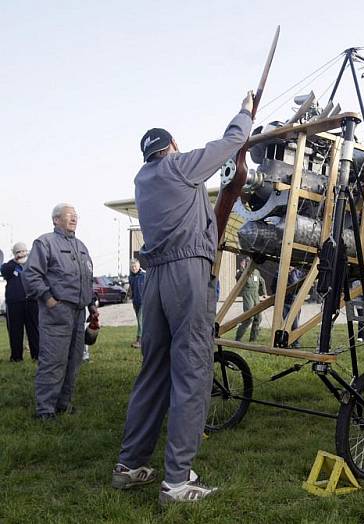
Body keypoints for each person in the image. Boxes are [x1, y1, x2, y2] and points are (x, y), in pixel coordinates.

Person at [112, 92, 253, 505]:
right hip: (186, 272)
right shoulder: (178, 166)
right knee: (192, 368)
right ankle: (177, 481)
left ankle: (130, 464)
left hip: (154, 278)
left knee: (154, 370)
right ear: (171, 147)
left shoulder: (143, 180)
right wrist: (244, 113)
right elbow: (229, 144)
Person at [23, 204, 97, 419]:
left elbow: (88, 279)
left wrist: (91, 304)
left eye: (75, 215)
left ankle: (63, 404)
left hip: (79, 311)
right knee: (53, 360)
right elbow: (31, 274)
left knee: (74, 360)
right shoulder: (45, 242)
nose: (73, 217)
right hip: (57, 311)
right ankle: (45, 410)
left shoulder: (81, 246)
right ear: (55, 219)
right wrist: (48, 298)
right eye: (68, 215)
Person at [2, 242, 39, 361]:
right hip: (15, 303)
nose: (21, 254)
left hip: (31, 301)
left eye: (23, 251)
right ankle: (16, 357)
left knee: (33, 330)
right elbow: (4, 271)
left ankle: (37, 355)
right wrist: (15, 262)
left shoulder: (32, 264)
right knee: (15, 331)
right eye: (18, 252)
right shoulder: (9, 266)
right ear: (14, 254)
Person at [235, 259, 267, 342]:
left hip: (255, 295)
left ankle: (253, 339)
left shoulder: (256, 272)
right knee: (249, 318)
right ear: (246, 263)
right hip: (247, 294)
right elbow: (238, 278)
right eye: (248, 262)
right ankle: (238, 338)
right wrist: (242, 269)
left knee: (258, 317)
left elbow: (262, 281)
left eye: (251, 262)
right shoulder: (243, 272)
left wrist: (264, 293)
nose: (250, 263)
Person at [128, 258, 146, 348]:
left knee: (140, 320)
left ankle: (139, 341)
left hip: (144, 301)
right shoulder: (130, 277)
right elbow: (131, 289)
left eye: (135, 266)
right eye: (132, 267)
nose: (133, 268)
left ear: (139, 266)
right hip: (136, 302)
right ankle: (145, 339)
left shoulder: (144, 275)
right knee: (140, 322)